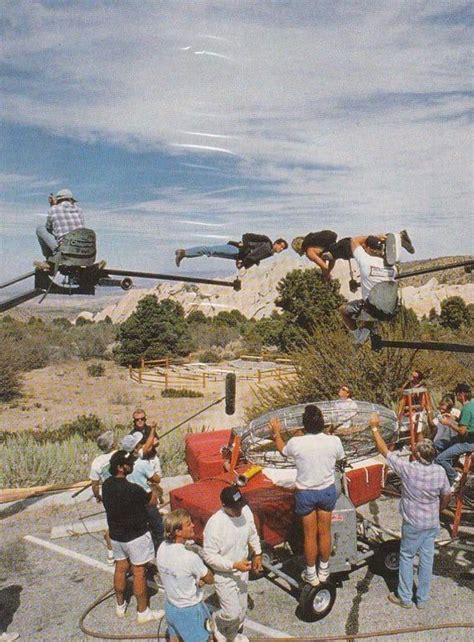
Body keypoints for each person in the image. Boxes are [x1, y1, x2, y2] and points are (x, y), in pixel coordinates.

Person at [370, 415, 451, 609]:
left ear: (418, 455)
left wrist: (374, 429)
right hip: (431, 523)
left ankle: (405, 597)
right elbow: (447, 495)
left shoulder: (408, 469)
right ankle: (422, 599)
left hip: (413, 523)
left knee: (406, 557)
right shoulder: (439, 471)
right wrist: (438, 509)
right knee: (426, 559)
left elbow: (384, 452)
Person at [270, 404, 345, 587]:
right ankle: (324, 570)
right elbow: (340, 458)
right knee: (325, 532)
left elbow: (283, 450)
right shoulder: (334, 441)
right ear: (322, 423)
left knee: (309, 535)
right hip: (326, 491)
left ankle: (311, 573)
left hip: (306, 493)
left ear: (304, 424)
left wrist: (276, 433)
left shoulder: (297, 442)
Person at [102, 449, 164, 624]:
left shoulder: (106, 485)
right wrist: (154, 490)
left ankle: (120, 605)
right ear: (121, 468)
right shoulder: (134, 489)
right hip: (136, 536)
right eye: (129, 464)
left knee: (120, 567)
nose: (132, 465)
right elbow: (151, 502)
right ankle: (143, 612)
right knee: (139, 572)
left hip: (116, 536)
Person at [203, 485, 262, 642]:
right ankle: (216, 619)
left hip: (242, 571)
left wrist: (258, 553)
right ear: (224, 506)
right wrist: (233, 565)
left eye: (241, 505)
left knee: (241, 612)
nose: (239, 510)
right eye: (235, 507)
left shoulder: (245, 511)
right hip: (225, 575)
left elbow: (252, 532)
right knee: (231, 614)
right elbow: (209, 556)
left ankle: (231, 635)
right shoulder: (215, 524)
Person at [156, 509, 214, 642]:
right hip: (189, 610)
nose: (193, 525)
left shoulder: (162, 547)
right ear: (178, 532)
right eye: (188, 524)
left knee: (175, 638)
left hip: (171, 606)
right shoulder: (190, 557)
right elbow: (209, 578)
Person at [339, 235, 397, 344]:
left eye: (365, 248)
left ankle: (358, 337)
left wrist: (374, 235)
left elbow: (354, 241)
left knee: (343, 310)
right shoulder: (393, 267)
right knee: (372, 304)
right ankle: (364, 334)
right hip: (390, 309)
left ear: (369, 249)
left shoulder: (365, 260)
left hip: (372, 309)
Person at [291, 229, 415, 279]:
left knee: (368, 246)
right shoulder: (321, 246)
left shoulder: (309, 251)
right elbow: (331, 259)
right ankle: (399, 236)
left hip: (344, 249)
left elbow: (322, 265)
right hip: (342, 245)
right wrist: (329, 270)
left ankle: (389, 243)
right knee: (367, 241)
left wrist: (325, 275)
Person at [121, 432, 165, 552]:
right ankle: (160, 552)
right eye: (139, 445)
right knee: (158, 528)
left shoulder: (123, 465)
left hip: (132, 501)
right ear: (135, 448)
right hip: (146, 499)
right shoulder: (141, 464)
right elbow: (156, 479)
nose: (141, 446)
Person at [435, 383, 474, 489]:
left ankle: (455, 476)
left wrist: (448, 423)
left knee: (440, 459)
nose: (456, 397)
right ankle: (445, 471)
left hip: (467, 442)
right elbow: (467, 423)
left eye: (457, 394)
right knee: (436, 445)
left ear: (461, 394)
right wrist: (453, 418)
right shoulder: (472, 404)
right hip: (467, 439)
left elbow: (462, 431)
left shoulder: (466, 408)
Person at [175, 234, 288, 269]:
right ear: (276, 243)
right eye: (281, 246)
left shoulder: (269, 253)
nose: (281, 249)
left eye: (283, 249)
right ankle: (183, 252)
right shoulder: (266, 242)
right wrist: (244, 247)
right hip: (236, 249)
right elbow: (247, 236)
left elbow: (253, 257)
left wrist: (243, 262)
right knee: (210, 250)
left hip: (237, 255)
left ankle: (184, 254)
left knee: (211, 253)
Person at [35, 189, 85, 266]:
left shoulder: (53, 209)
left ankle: (49, 259)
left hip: (66, 252)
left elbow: (49, 228)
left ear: (58, 200)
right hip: (84, 251)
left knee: (40, 229)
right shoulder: (79, 210)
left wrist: (53, 205)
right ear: (70, 199)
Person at [89, 430, 117, 565]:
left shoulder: (96, 462)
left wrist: (98, 496)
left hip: (108, 495)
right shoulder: (120, 454)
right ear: (112, 444)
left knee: (112, 522)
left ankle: (111, 555)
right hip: (122, 491)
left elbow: (94, 484)